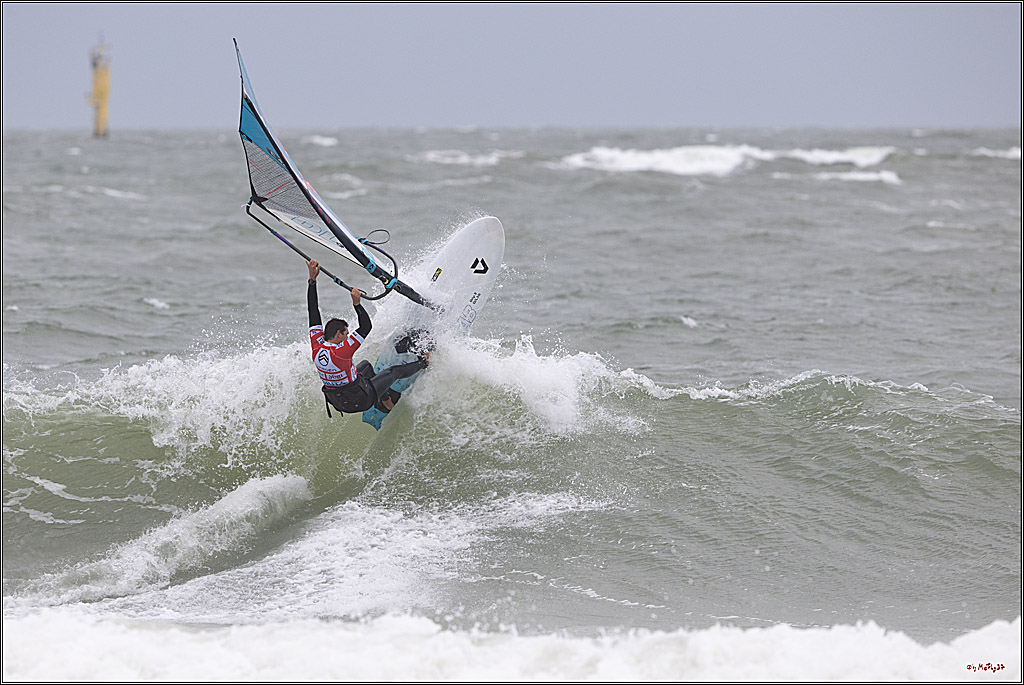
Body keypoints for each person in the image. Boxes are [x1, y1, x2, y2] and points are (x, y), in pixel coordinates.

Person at [306, 258, 428, 418]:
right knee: (392, 372)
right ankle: (424, 362)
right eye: (346, 334)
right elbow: (366, 327)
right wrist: (357, 304)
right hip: (361, 399)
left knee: (365, 367)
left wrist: (312, 281)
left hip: (339, 401)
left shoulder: (317, 346)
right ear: (338, 334)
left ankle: (383, 399)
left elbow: (313, 311)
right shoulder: (341, 352)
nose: (347, 337)